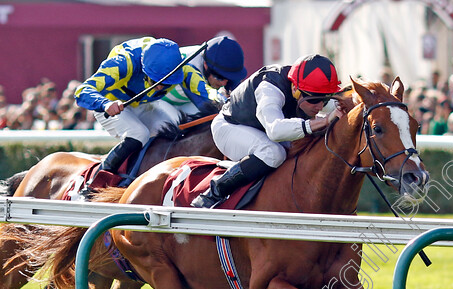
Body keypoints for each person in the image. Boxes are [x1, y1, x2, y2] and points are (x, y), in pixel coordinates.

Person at [191, 53, 344, 208]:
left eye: (324, 99)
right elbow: (275, 131)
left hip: (260, 130)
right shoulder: (269, 88)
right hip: (230, 128)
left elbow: (338, 106)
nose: (320, 106)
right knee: (274, 153)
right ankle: (214, 192)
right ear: (296, 89)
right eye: (314, 100)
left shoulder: (307, 90)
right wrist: (323, 121)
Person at [74, 37, 184, 181]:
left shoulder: (179, 66)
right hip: (110, 107)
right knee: (139, 133)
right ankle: (95, 182)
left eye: (166, 83)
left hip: (142, 105)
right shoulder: (123, 62)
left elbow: (203, 93)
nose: (159, 87)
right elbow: (81, 91)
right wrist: (105, 104)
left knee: (170, 130)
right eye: (155, 80)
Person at [162, 35, 247, 117]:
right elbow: (206, 106)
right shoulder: (190, 65)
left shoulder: (215, 62)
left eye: (229, 78)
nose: (224, 83)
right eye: (219, 77)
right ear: (206, 65)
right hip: (160, 101)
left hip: (185, 102)